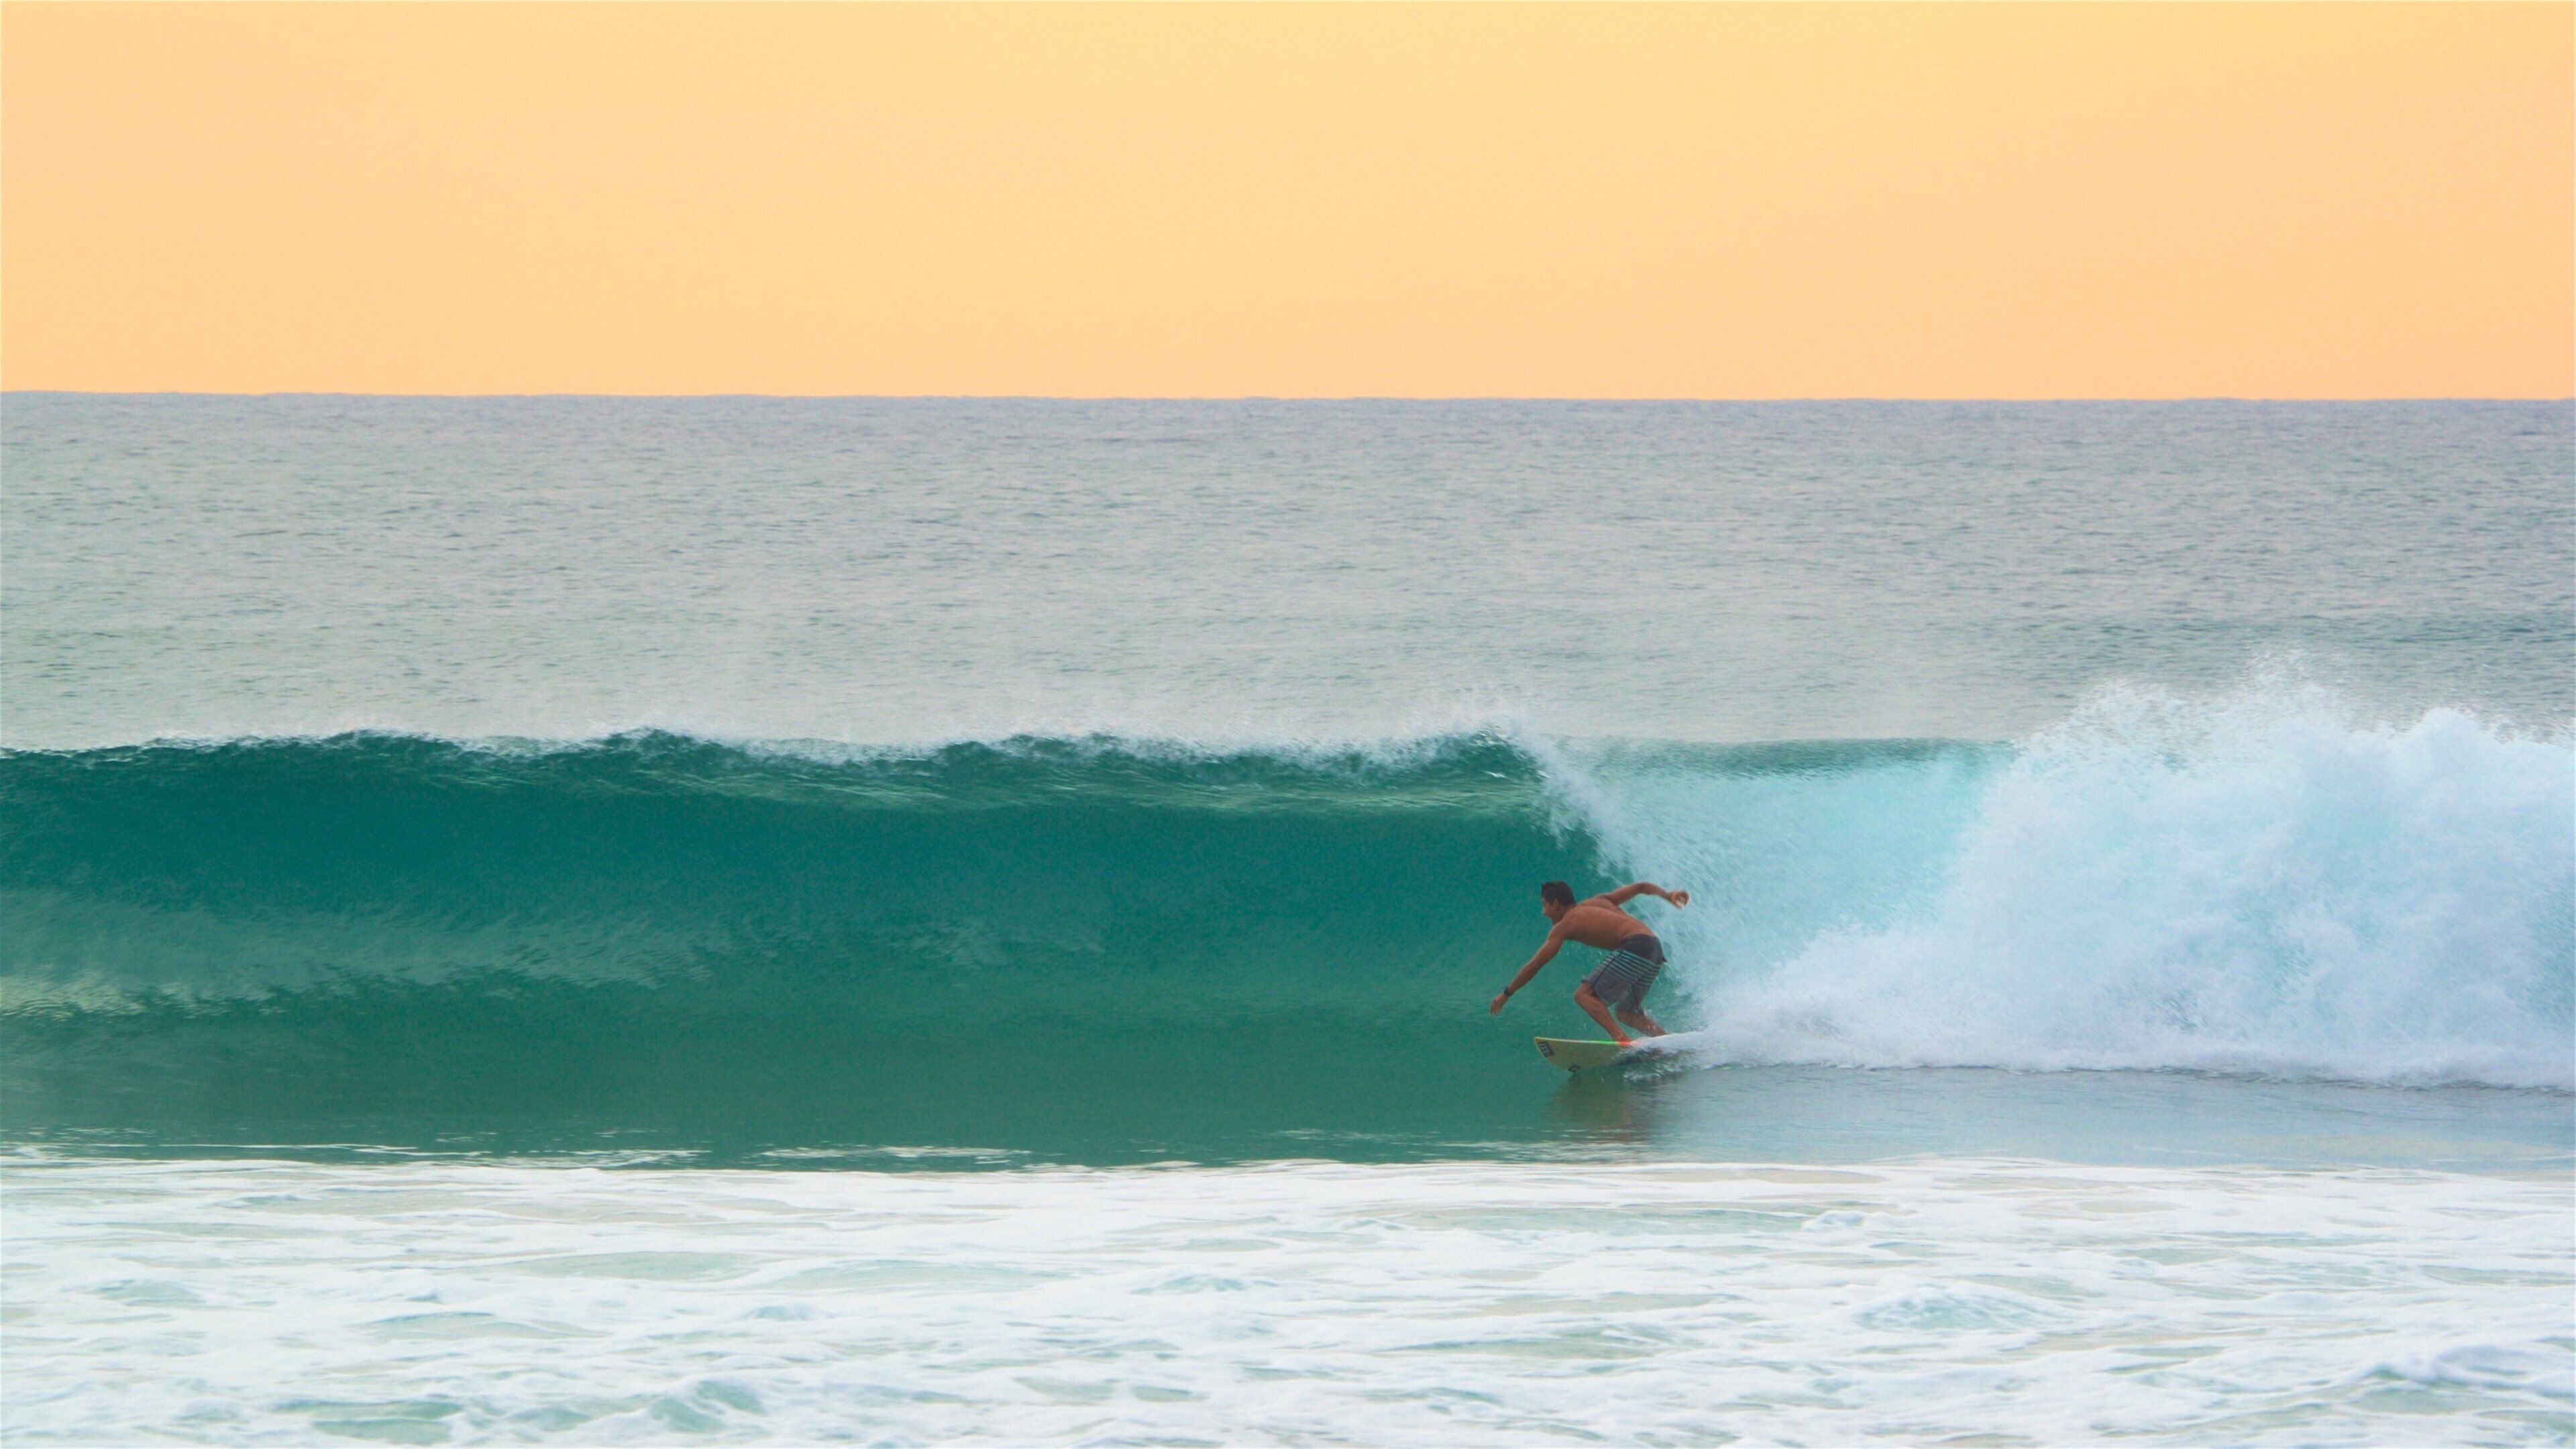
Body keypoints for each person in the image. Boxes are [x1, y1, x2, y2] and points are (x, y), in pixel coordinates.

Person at [1489, 879, 1689, 1046]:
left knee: (1583, 995)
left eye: (1545, 905)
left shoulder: (1566, 924)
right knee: (1626, 1012)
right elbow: (1641, 887)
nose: (1544, 912)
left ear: (1556, 904)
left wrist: (1507, 993)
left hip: (1636, 945)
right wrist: (1668, 895)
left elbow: (1535, 965)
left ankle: (1621, 1040)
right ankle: (1669, 1044)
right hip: (1655, 949)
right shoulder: (1599, 901)